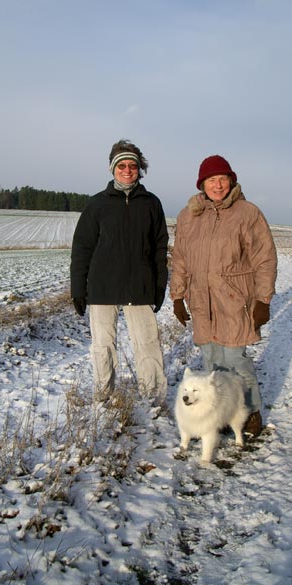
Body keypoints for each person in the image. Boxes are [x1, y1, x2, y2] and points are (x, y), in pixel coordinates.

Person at [170, 155, 277, 436]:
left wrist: (263, 300)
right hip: (202, 302)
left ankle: (251, 412)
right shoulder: (188, 216)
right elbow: (180, 258)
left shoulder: (247, 213)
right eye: (211, 180)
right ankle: (225, 412)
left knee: (236, 360)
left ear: (231, 181)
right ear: (202, 184)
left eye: (222, 179)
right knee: (212, 364)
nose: (217, 185)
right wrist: (178, 297)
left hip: (234, 300)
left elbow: (264, 259)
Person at [70, 139, 169, 406]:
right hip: (102, 288)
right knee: (103, 347)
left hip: (140, 286)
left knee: (148, 345)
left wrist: (160, 286)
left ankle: (154, 399)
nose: (127, 170)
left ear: (140, 169)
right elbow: (82, 249)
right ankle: (103, 396)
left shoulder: (151, 203)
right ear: (112, 169)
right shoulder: (97, 205)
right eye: (121, 166)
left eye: (133, 166)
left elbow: (160, 248)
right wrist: (78, 288)